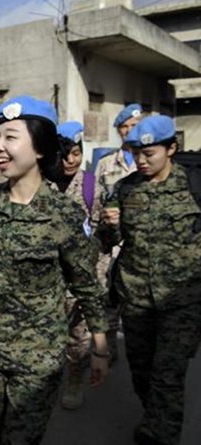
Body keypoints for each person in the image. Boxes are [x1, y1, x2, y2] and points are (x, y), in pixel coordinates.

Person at [0, 96, 110, 445]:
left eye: (10, 137)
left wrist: (100, 346)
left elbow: (85, 285)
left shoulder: (63, 215)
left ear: (39, 147)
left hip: (35, 361)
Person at [97, 115, 201, 445]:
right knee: (142, 373)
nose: (141, 161)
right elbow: (105, 243)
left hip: (182, 302)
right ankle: (154, 420)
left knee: (167, 376)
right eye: (135, 153)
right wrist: (108, 225)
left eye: (149, 154)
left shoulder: (195, 184)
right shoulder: (125, 189)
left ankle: (162, 436)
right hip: (137, 299)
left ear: (171, 148)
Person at [93, 103, 143, 361]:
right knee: (108, 299)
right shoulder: (105, 163)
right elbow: (96, 202)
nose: (127, 132)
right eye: (123, 127)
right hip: (113, 244)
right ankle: (107, 350)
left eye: (132, 126)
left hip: (141, 244)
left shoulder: (151, 160)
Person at [54, 121, 97, 410]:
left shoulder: (91, 185)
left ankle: (75, 378)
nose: (71, 160)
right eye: (66, 154)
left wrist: (96, 279)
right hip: (47, 278)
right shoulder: (42, 184)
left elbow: (98, 237)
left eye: (77, 153)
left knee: (77, 335)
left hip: (78, 276)